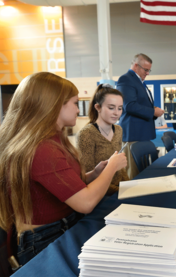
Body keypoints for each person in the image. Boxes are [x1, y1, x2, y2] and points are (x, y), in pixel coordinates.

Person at [0, 72, 127, 268]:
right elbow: (85, 203)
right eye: (75, 103)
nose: (78, 110)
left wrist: (93, 175)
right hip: (46, 238)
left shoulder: (54, 140)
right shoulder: (42, 149)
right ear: (54, 105)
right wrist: (112, 167)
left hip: (62, 225)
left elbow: (64, 186)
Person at [76, 84, 129, 195]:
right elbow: (88, 177)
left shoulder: (118, 130)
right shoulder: (86, 134)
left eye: (120, 108)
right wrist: (119, 191)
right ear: (98, 107)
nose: (116, 113)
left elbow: (120, 169)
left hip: (120, 189)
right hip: (101, 193)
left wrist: (129, 185)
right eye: (111, 108)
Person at [117, 53, 164, 179]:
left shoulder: (139, 81)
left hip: (141, 134)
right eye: (146, 70)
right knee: (133, 173)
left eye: (149, 70)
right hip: (133, 134)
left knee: (141, 172)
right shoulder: (126, 79)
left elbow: (138, 104)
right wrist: (152, 112)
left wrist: (153, 110)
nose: (148, 73)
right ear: (136, 66)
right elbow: (129, 105)